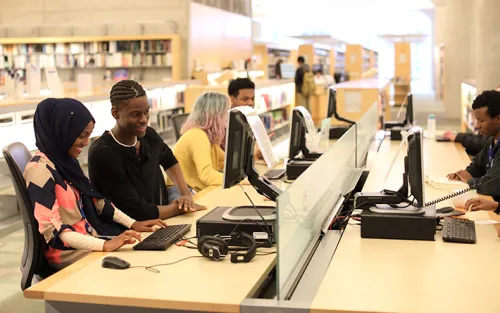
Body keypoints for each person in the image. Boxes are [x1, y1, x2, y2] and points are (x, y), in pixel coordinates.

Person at [24, 98, 166, 270]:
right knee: (139, 266)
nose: (85, 143)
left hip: (89, 242)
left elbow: (95, 200)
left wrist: (133, 224)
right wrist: (105, 245)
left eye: (88, 136)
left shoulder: (65, 162)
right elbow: (55, 232)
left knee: (145, 254)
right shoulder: (39, 170)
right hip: (69, 254)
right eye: (81, 136)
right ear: (62, 131)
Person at [88, 80, 206, 221]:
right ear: (115, 113)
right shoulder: (103, 153)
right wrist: (180, 208)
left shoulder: (149, 136)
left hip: (157, 222)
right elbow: (136, 210)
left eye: (146, 112)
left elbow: (169, 160)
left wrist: (186, 194)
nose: (144, 120)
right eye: (135, 114)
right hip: (126, 233)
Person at [447, 90, 500, 199]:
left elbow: (489, 185)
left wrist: (470, 180)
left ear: (498, 119)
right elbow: (477, 165)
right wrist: (463, 174)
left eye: (481, 121)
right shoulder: (491, 140)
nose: (477, 126)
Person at [172, 92, 228, 191]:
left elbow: (225, 162)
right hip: (182, 192)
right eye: (226, 112)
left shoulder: (208, 137)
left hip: (191, 188)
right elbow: (207, 175)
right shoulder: (197, 136)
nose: (227, 116)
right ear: (216, 115)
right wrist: (239, 181)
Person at [442, 85, 500, 156]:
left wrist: (457, 137)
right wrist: (458, 136)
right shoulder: (492, 138)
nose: (477, 126)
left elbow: (481, 143)